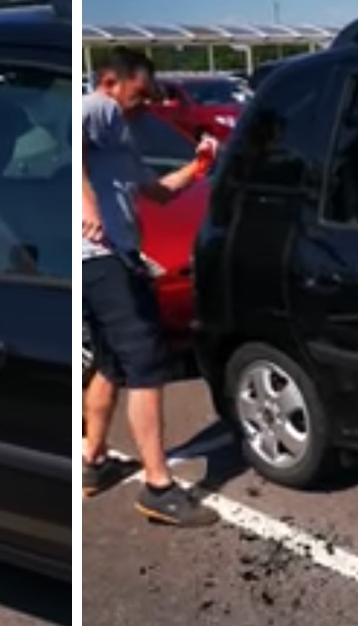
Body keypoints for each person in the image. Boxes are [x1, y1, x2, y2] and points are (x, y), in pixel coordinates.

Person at [81, 47, 219, 527]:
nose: (143, 104)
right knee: (146, 362)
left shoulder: (120, 139)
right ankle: (158, 487)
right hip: (100, 259)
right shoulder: (97, 107)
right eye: (138, 93)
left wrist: (199, 166)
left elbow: (158, 192)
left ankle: (94, 462)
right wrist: (88, 207)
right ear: (111, 81)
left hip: (114, 259)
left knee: (111, 362)